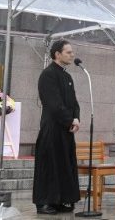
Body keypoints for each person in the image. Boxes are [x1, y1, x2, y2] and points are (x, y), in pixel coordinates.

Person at [32, 40, 81, 215]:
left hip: (66, 129)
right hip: (52, 128)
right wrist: (70, 121)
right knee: (49, 164)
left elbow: (74, 102)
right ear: (57, 54)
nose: (72, 54)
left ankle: (61, 199)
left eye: (72, 52)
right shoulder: (48, 74)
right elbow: (54, 104)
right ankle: (44, 201)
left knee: (63, 164)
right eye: (68, 52)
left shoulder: (67, 77)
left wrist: (75, 118)